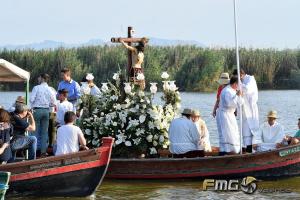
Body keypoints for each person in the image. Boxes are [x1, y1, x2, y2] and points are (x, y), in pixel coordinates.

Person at [233, 69, 259, 153]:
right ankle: (247, 151)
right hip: (243, 110)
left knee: (253, 131)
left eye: (237, 77)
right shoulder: (241, 82)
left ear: (241, 75)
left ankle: (253, 151)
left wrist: (239, 85)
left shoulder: (250, 79)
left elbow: (247, 89)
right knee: (245, 132)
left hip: (251, 110)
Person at [30, 73, 55, 156]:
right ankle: (43, 152)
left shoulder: (36, 88)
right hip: (46, 111)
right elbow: (53, 103)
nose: (38, 79)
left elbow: (31, 99)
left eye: (39, 78)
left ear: (42, 78)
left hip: (37, 110)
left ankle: (35, 151)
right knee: (45, 132)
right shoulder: (50, 89)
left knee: (35, 132)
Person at [217, 76, 243, 155]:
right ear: (235, 84)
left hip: (228, 114)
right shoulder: (227, 91)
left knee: (231, 133)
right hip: (225, 115)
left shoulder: (231, 90)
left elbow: (240, 103)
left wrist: (238, 96)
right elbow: (229, 103)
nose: (238, 86)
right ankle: (226, 152)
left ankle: (229, 151)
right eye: (238, 84)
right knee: (228, 134)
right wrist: (238, 96)